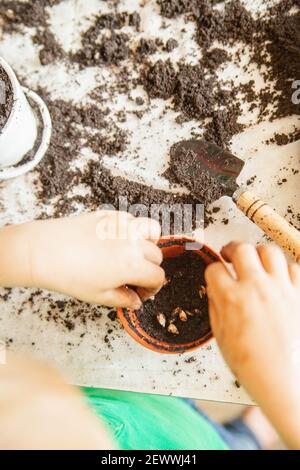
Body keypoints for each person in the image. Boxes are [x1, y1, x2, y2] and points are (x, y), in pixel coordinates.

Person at [0, 211, 299, 450]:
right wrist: (284, 396)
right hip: (194, 441)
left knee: (173, 404)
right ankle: (249, 436)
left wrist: (28, 252)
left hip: (147, 404)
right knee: (225, 440)